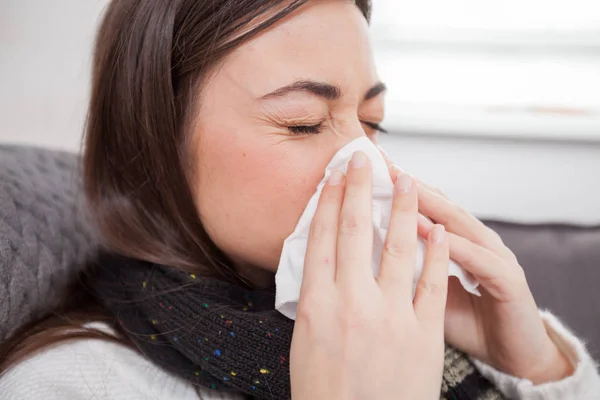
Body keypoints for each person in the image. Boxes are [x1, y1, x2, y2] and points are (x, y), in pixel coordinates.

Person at [0, 1, 598, 399]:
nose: (369, 166)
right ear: (156, 139)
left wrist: (535, 366)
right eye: (304, 122)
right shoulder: (69, 385)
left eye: (372, 122)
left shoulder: (406, 327)